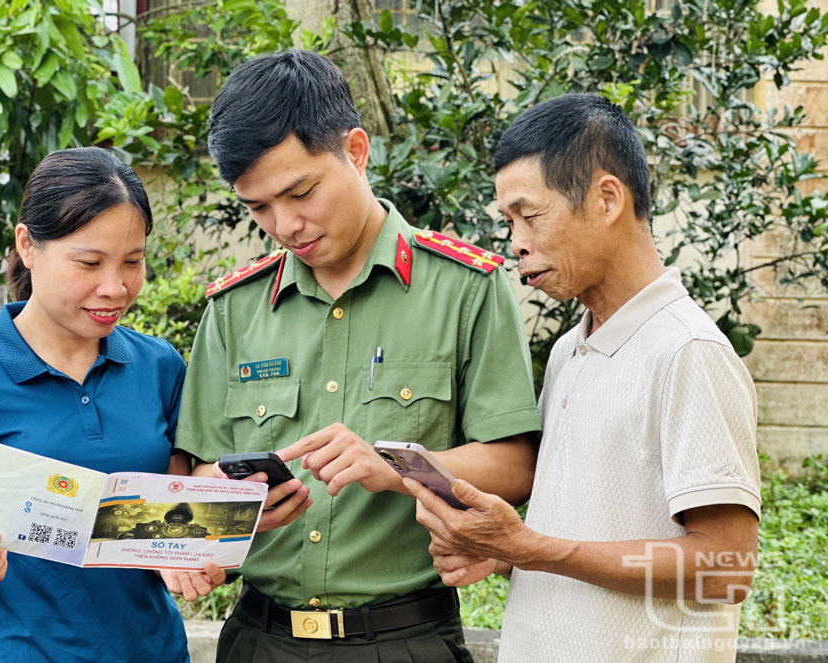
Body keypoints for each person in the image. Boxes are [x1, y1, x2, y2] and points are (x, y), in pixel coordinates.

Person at [173, 49, 542, 662]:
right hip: (259, 641)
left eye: (300, 192)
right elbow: (194, 482)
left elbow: (515, 465)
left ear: (357, 150)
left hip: (403, 640)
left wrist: (398, 467)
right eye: (259, 208)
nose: (285, 224)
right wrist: (230, 513)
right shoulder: (234, 310)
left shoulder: (466, 289)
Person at [405, 93, 762, 663]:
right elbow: (579, 528)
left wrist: (532, 546)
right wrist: (503, 553)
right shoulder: (573, 350)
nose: (516, 241)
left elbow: (726, 569)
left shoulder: (688, 351)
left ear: (606, 198)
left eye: (530, 214)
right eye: (509, 222)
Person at [0, 147, 222, 663]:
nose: (115, 287)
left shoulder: (159, 367)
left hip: (154, 652)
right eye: (89, 262)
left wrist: (190, 552)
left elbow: (172, 517)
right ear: (28, 245)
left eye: (133, 262)